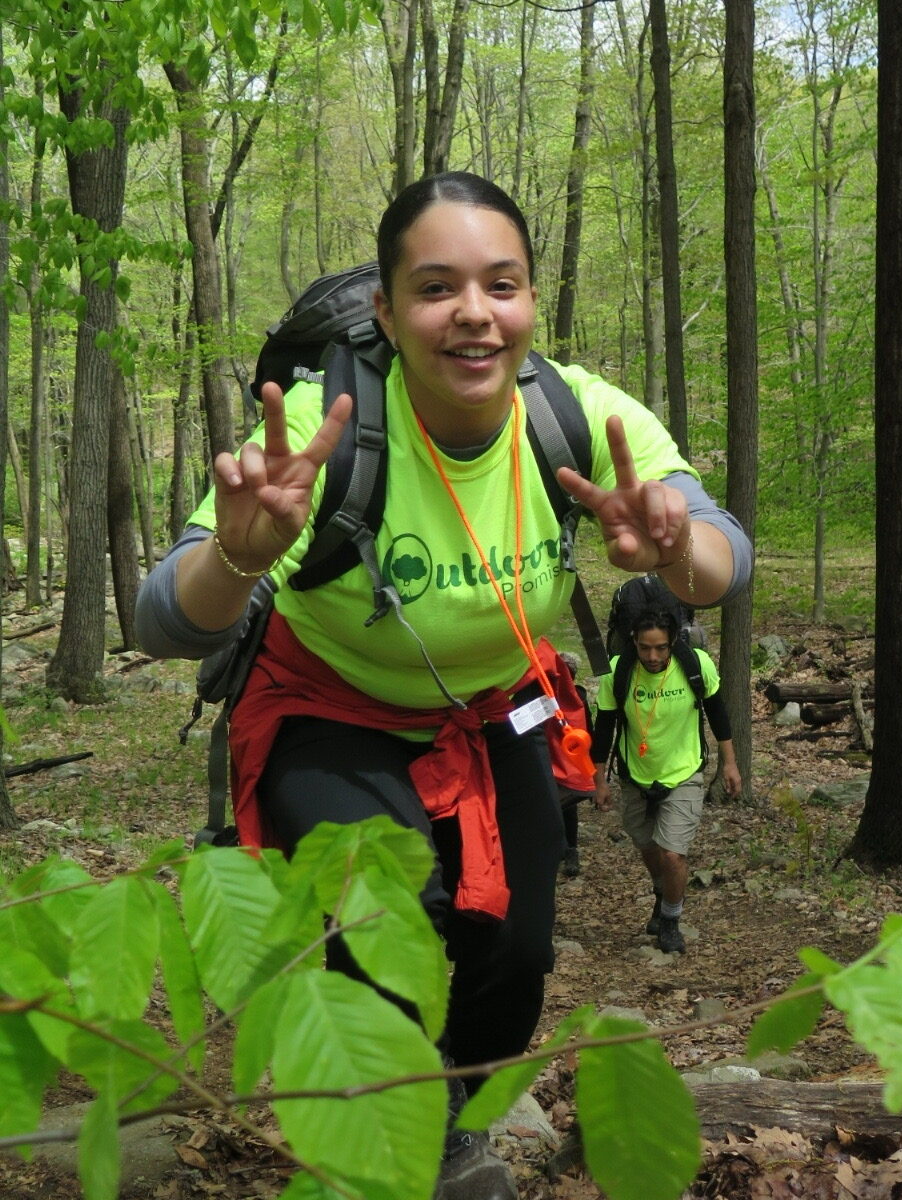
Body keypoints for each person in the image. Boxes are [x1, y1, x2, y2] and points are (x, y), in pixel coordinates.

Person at [135, 171, 751, 1200]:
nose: (474, 312)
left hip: (497, 703)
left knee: (517, 940)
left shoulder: (576, 417)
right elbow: (160, 618)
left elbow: (724, 547)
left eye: (501, 284)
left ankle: (455, 1121)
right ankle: (388, 1147)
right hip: (330, 707)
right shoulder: (327, 435)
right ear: (387, 310)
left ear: (530, 302)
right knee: (389, 918)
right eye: (435, 287)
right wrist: (238, 558)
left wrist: (679, 554)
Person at [591, 610, 742, 955]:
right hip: (635, 775)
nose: (653, 657)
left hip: (683, 772)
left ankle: (671, 920)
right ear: (634, 643)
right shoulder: (618, 672)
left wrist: (729, 763)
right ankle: (662, 892)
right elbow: (604, 730)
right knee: (648, 846)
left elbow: (717, 712)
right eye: (645, 648)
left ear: (673, 641)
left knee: (672, 854)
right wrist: (599, 780)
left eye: (660, 648)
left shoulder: (696, 665)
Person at [557, 651, 592, 877]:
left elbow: (588, 726)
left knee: (568, 806)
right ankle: (560, 849)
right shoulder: (543, 696)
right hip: (552, 758)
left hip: (571, 760)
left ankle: (570, 850)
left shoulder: (579, 697)